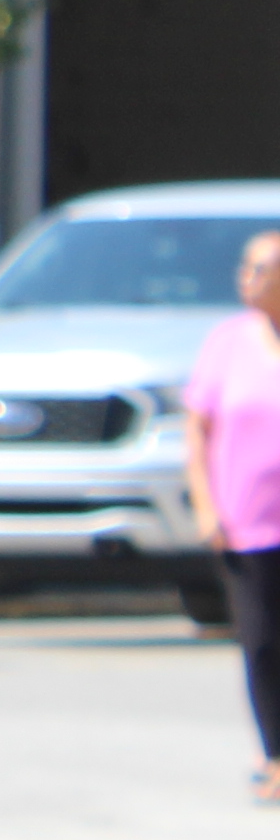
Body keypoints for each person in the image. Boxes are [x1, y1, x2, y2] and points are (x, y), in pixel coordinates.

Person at [185, 230, 280, 802]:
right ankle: (272, 755)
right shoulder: (226, 343)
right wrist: (204, 505)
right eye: (246, 266)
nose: (249, 277)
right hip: (246, 523)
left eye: (262, 268)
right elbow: (197, 432)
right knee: (263, 642)